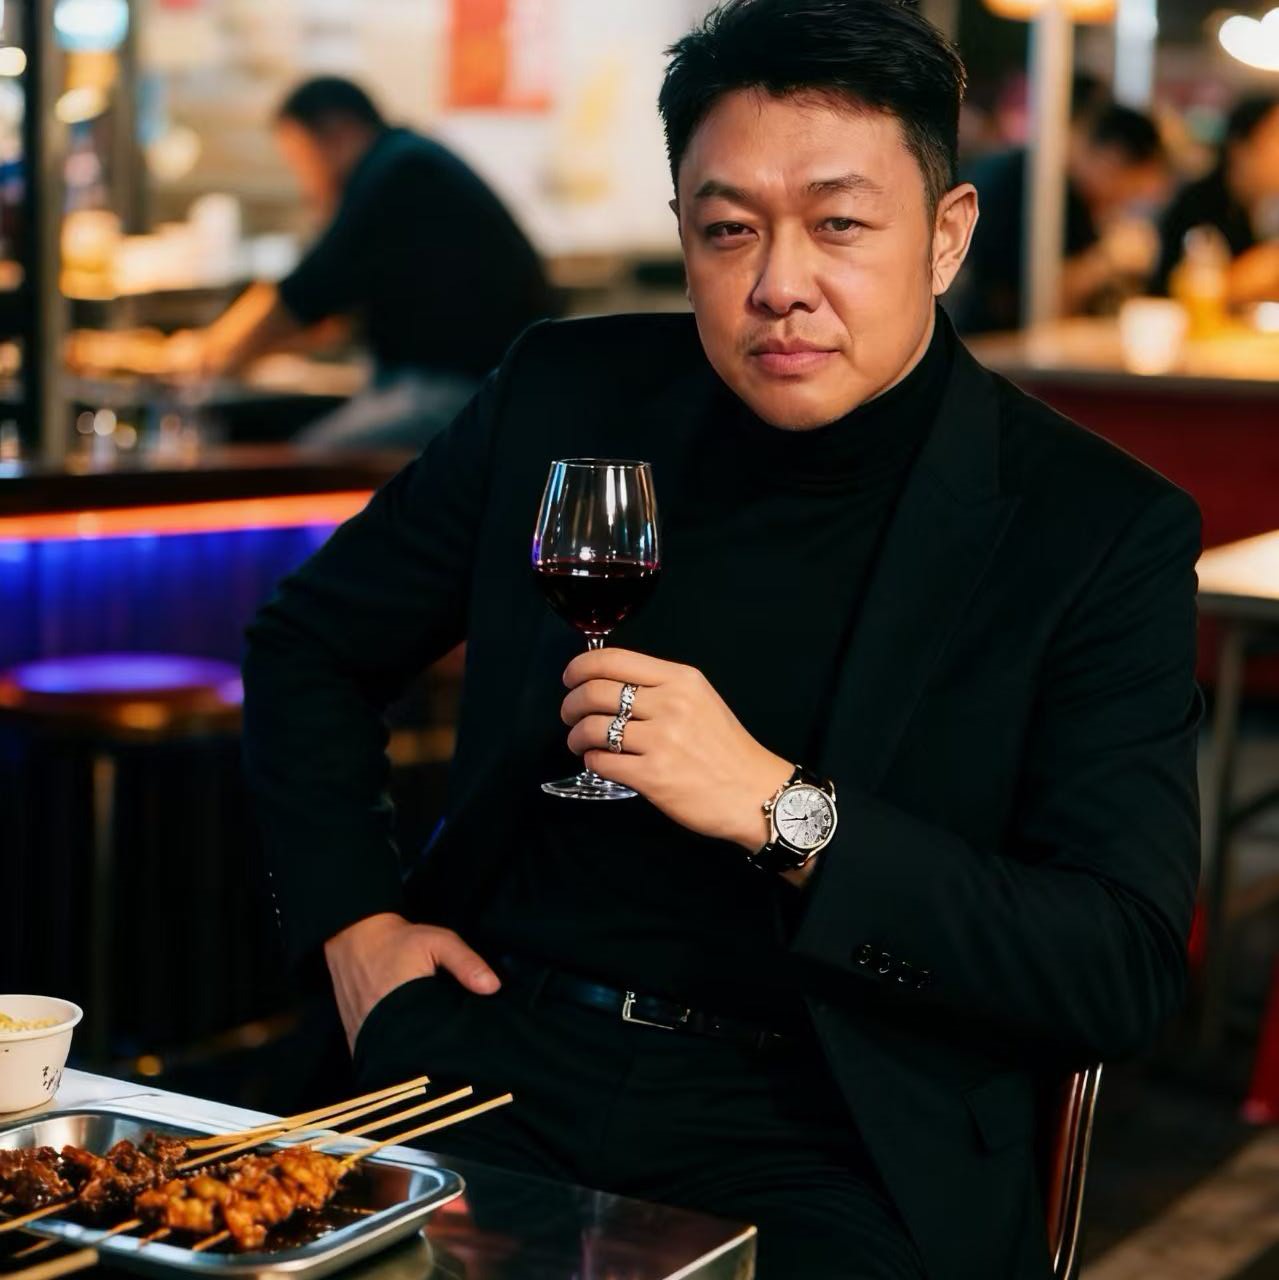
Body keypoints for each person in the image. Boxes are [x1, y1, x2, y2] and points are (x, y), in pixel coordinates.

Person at [242, 2, 1201, 1277]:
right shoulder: (566, 398)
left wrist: (782, 812)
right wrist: (353, 924)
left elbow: (1117, 965)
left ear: (946, 235)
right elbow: (308, 643)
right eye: (728, 228)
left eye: (839, 224)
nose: (777, 283)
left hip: (828, 1119)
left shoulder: (1088, 526)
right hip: (486, 1053)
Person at [172, 77, 554, 449]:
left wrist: (211, 354)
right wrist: (238, 351)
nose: (306, 183)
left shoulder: (397, 170)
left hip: (464, 391)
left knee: (309, 462)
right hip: (469, 384)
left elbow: (305, 292)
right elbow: (330, 317)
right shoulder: (407, 159)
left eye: (300, 159)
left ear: (337, 132)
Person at [951, 101, 1169, 333]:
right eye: (1131, 189)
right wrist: (1107, 260)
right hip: (985, 342)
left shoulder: (1076, 197)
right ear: (1112, 158)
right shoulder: (1027, 188)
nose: (1124, 202)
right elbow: (1035, 301)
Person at [1151, 94, 1279, 303]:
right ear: (1240, 148)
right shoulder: (1199, 205)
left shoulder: (1260, 210)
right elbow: (1180, 290)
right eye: (1276, 138)